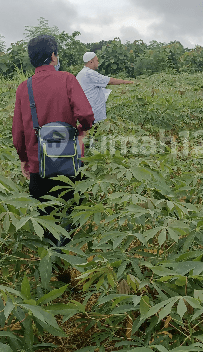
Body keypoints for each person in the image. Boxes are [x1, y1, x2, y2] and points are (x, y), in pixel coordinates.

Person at [12, 35, 95, 246]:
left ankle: (52, 261)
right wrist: (82, 131)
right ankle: (70, 260)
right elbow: (86, 114)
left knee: (45, 220)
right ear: (53, 56)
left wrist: (24, 159)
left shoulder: (24, 87)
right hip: (69, 161)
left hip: (38, 165)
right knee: (71, 215)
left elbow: (18, 132)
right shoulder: (67, 79)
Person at [76, 52, 134, 124]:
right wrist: (128, 82)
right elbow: (109, 81)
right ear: (91, 61)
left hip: (85, 112)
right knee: (94, 133)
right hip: (93, 114)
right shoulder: (90, 73)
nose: (98, 62)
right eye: (97, 60)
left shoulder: (81, 73)